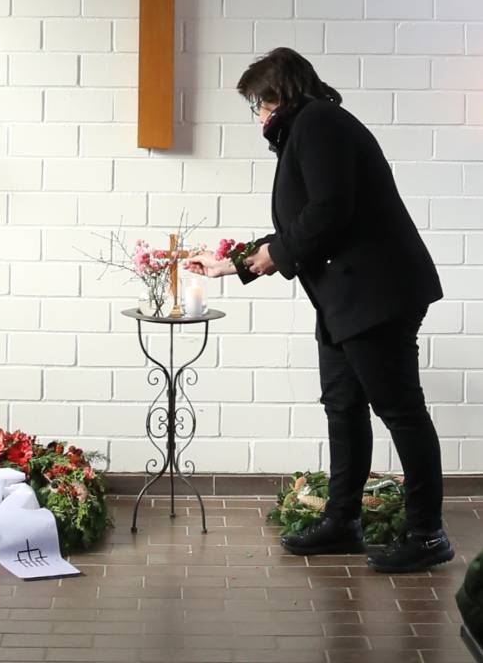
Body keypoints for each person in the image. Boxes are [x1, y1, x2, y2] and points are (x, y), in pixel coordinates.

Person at [184, 47, 450, 574]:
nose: (257, 116)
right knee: (343, 407)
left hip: (375, 294)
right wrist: (232, 263)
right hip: (346, 298)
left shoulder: (319, 122)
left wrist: (272, 256)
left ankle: (427, 534)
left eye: (258, 103)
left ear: (279, 94)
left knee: (400, 411)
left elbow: (330, 211)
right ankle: (342, 521)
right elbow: (302, 223)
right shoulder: (308, 128)